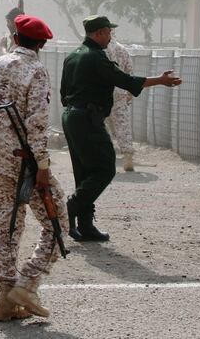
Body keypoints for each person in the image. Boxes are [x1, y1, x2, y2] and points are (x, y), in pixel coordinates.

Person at [61, 15, 182, 242]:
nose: (110, 36)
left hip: (72, 116)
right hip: (88, 118)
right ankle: (70, 207)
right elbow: (124, 79)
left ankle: (85, 226)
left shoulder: (73, 56)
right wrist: (160, 80)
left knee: (84, 171)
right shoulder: (95, 57)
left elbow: (63, 92)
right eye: (108, 32)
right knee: (105, 168)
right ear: (98, 33)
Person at [0, 14, 65, 320]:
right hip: (27, 161)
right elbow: (37, 122)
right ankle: (27, 284)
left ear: (15, 38)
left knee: (6, 229)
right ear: (42, 44)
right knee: (58, 223)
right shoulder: (36, 70)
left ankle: (4, 302)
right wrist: (42, 164)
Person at [104, 36, 136, 172]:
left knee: (100, 124)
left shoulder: (99, 50)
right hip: (119, 92)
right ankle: (128, 155)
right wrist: (129, 92)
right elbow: (129, 70)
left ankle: (104, 156)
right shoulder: (122, 49)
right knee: (122, 123)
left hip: (102, 92)